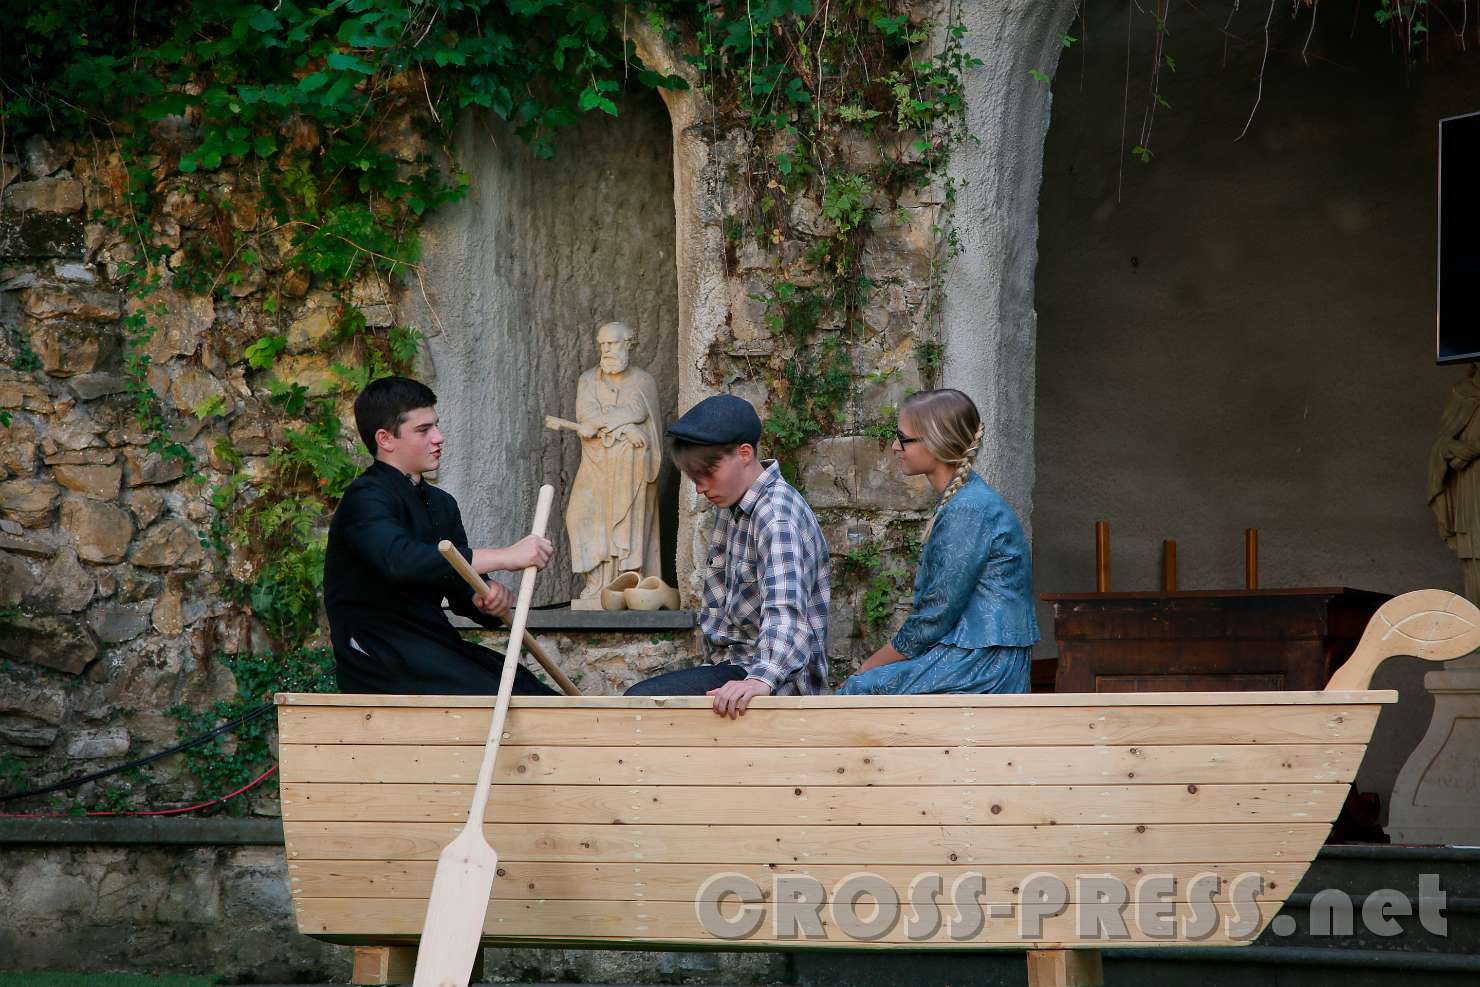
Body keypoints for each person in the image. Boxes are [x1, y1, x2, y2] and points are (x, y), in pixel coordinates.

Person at [323, 376, 558, 695]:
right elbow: (401, 559)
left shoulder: (442, 504)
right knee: (501, 697)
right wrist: (507, 556)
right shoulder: (365, 497)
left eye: (436, 426)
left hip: (432, 646)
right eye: (423, 430)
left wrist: (484, 596)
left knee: (532, 694)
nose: (439, 437)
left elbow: (460, 588)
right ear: (386, 439)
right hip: (379, 656)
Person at [624, 394, 831, 717]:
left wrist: (759, 680)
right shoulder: (732, 505)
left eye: (707, 474)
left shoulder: (777, 517)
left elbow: (787, 613)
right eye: (694, 479)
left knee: (641, 707)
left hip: (776, 681)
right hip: (735, 668)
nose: (700, 488)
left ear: (744, 453)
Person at [838, 388, 1038, 695]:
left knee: (861, 691)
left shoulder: (969, 509)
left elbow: (935, 616)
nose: (894, 446)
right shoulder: (962, 500)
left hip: (983, 664)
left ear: (936, 441)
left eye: (903, 438)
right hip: (971, 655)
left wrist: (869, 666)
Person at [545, 320, 663, 601]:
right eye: (602, 344)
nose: (606, 349)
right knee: (580, 517)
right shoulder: (588, 379)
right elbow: (587, 416)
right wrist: (623, 426)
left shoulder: (643, 382)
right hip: (596, 464)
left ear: (629, 345)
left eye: (612, 343)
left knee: (625, 527)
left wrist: (620, 425)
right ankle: (597, 584)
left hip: (629, 467)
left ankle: (625, 587)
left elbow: (639, 414)